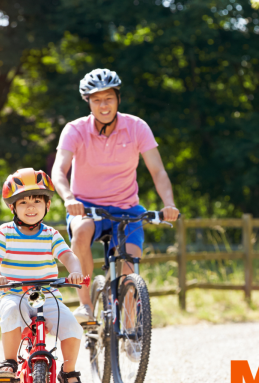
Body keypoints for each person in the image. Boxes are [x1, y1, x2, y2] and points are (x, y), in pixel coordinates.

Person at [52, 68, 179, 322]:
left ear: (118, 98)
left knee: (130, 262)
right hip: (86, 207)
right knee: (81, 232)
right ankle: (86, 304)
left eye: (108, 98)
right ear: (88, 102)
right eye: (97, 99)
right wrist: (68, 198)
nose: (103, 105)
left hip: (127, 208)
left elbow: (158, 171)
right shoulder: (74, 130)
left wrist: (169, 204)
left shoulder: (137, 127)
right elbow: (58, 170)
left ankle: (131, 325)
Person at [0, 168, 86, 383]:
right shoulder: (4, 232)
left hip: (45, 293)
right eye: (23, 202)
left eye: (37, 201)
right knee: (10, 312)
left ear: (47, 205)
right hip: (13, 292)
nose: (31, 207)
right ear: (13, 208)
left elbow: (68, 256)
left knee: (71, 325)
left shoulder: (50, 234)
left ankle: (69, 372)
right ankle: (9, 361)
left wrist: (75, 271)